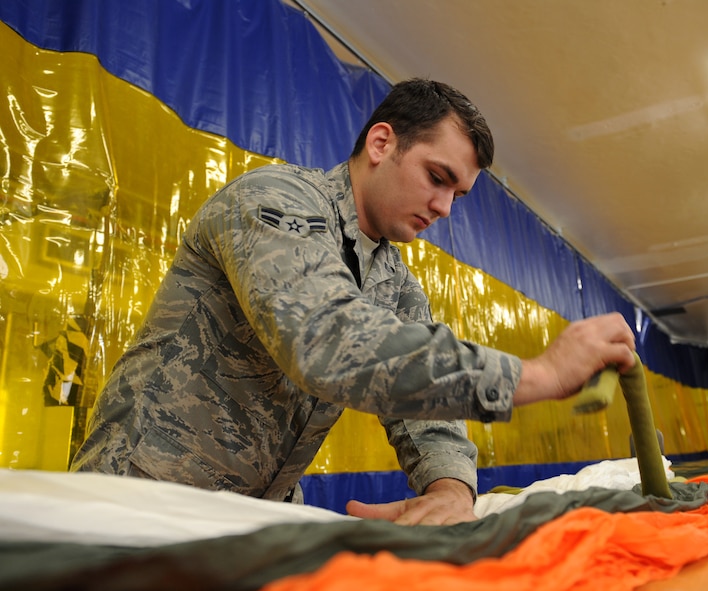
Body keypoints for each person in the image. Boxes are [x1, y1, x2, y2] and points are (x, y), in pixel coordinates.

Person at [71, 78, 635, 525]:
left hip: (249, 516)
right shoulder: (273, 201)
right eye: (436, 177)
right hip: (141, 501)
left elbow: (424, 410)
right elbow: (326, 339)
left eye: (457, 194)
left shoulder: (392, 279)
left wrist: (450, 490)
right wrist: (537, 375)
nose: (444, 208)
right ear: (382, 142)